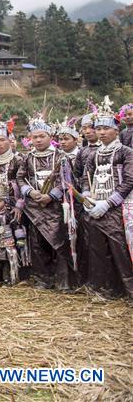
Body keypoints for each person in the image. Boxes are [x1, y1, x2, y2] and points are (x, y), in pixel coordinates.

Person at [80, 98, 133, 299]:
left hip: (119, 208)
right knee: (98, 251)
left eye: (106, 128)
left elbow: (129, 180)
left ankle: (128, 290)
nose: (101, 132)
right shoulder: (93, 154)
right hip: (96, 207)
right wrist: (87, 197)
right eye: (98, 128)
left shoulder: (126, 152)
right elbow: (86, 177)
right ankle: (104, 289)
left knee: (121, 249)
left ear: (116, 130)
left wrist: (109, 203)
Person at [16, 115, 72, 292]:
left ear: (50, 137)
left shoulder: (61, 157)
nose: (38, 140)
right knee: (37, 244)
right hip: (34, 208)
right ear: (30, 139)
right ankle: (43, 279)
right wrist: (30, 192)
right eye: (35, 137)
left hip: (55, 207)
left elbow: (67, 180)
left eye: (42, 136)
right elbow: (20, 178)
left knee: (59, 243)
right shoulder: (27, 158)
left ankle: (63, 281)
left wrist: (52, 195)